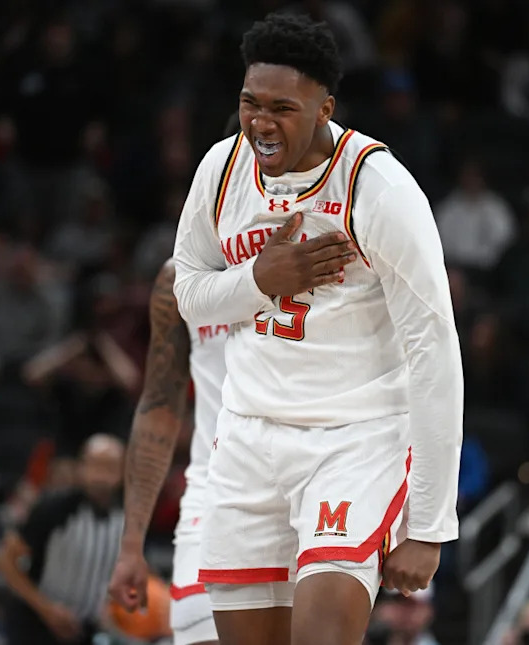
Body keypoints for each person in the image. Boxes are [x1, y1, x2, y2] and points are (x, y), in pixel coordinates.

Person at [171, 13, 463, 645]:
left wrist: (431, 523)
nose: (260, 122)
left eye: (282, 107)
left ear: (324, 108)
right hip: (248, 438)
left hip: (354, 442)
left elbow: (434, 350)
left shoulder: (379, 187)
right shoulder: (221, 169)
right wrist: (258, 279)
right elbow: (190, 295)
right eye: (250, 103)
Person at [108, 259, 227, 645]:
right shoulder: (179, 276)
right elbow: (158, 407)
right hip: (213, 490)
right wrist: (131, 545)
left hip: (305, 483)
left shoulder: (314, 245)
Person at [0, 434, 125, 645]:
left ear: (122, 472)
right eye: (96, 466)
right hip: (35, 625)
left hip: (84, 630)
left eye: (110, 467)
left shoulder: (126, 519)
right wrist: (46, 608)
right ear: (81, 467)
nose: (102, 476)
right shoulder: (54, 508)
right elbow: (5, 560)